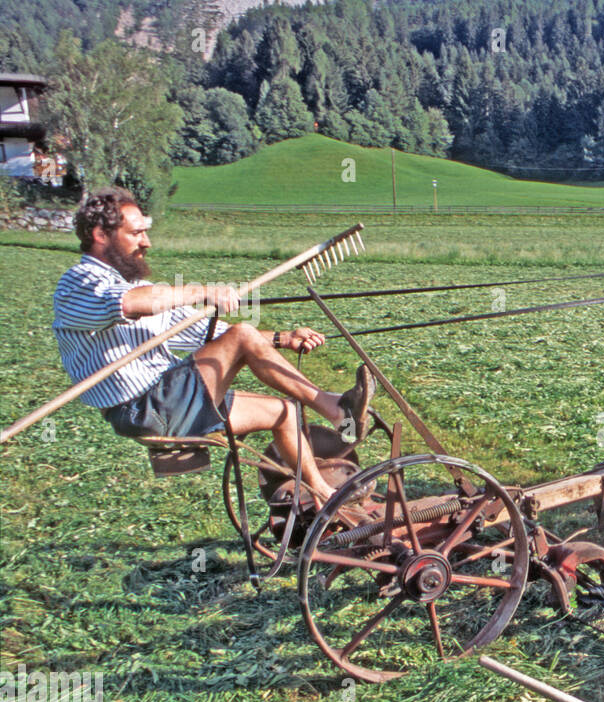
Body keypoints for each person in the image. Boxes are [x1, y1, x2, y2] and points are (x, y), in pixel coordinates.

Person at [52, 187, 373, 506]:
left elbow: (204, 332)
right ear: (100, 235)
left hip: (169, 399)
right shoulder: (79, 282)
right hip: (143, 407)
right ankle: (334, 408)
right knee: (243, 335)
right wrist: (202, 290)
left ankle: (323, 496)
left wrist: (282, 338)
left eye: (145, 233)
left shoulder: (139, 287)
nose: (146, 242)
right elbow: (130, 304)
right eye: (136, 233)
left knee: (284, 412)